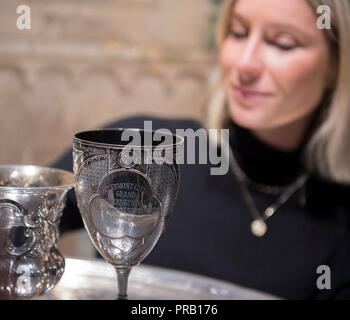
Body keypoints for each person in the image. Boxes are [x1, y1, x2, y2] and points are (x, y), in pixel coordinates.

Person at [54, 0, 350, 299]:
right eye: (238, 33)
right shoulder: (142, 149)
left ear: (335, 67)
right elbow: (20, 224)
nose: (245, 64)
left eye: (283, 44)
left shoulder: (340, 221)